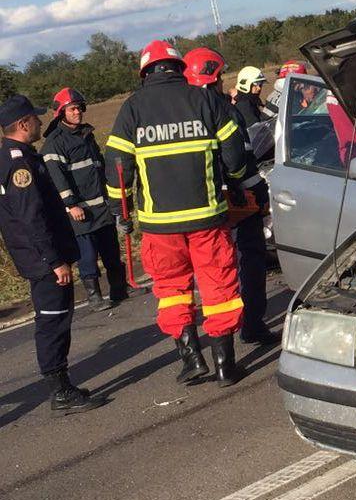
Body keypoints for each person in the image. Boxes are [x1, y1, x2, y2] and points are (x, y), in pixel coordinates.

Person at [104, 40, 260, 387]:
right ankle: (225, 365)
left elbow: (117, 166)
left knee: (172, 289)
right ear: (178, 68)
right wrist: (234, 183)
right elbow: (234, 155)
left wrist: (121, 210)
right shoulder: (203, 99)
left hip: (159, 226)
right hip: (207, 218)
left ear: (146, 72)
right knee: (219, 287)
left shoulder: (132, 109)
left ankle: (191, 359)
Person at [0, 94, 105, 415]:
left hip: (38, 257)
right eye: (36, 118)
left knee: (56, 319)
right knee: (53, 322)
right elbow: (32, 217)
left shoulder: (12, 156)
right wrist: (54, 261)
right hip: (43, 259)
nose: (41, 122)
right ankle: (60, 391)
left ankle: (62, 385)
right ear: (22, 124)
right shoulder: (19, 163)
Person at [182, 48, 277, 346]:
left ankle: (205, 342)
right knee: (251, 257)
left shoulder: (181, 113)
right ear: (214, 77)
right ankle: (251, 324)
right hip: (237, 198)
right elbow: (241, 158)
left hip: (197, 204)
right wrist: (256, 192)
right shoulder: (225, 109)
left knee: (208, 270)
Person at [40, 87, 128, 312]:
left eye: (79, 107)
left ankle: (119, 288)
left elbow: (97, 166)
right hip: (80, 210)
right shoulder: (54, 142)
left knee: (110, 248)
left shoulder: (86, 134)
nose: (77, 112)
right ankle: (94, 296)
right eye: (72, 109)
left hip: (101, 204)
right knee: (87, 255)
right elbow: (57, 177)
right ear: (61, 112)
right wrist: (70, 205)